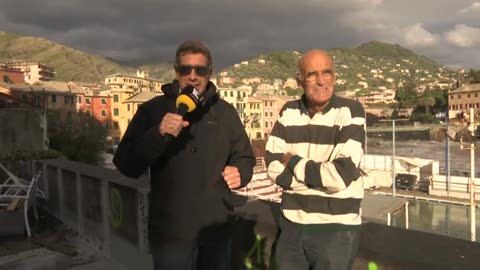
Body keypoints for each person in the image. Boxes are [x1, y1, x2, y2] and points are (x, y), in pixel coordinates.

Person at [113, 40, 255, 270]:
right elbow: (125, 164)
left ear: (210, 73)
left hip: (216, 229)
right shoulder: (151, 110)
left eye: (200, 70)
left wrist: (242, 172)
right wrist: (157, 132)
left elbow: (245, 157)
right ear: (176, 72)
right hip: (170, 233)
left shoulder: (226, 112)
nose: (192, 76)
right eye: (185, 69)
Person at [265, 49, 365, 270]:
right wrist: (318, 180)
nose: (321, 81)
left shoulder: (351, 111)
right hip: (292, 225)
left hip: (337, 230)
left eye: (327, 73)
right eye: (312, 75)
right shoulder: (288, 111)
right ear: (299, 81)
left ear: (335, 77)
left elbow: (340, 176)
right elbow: (271, 162)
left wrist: (292, 161)